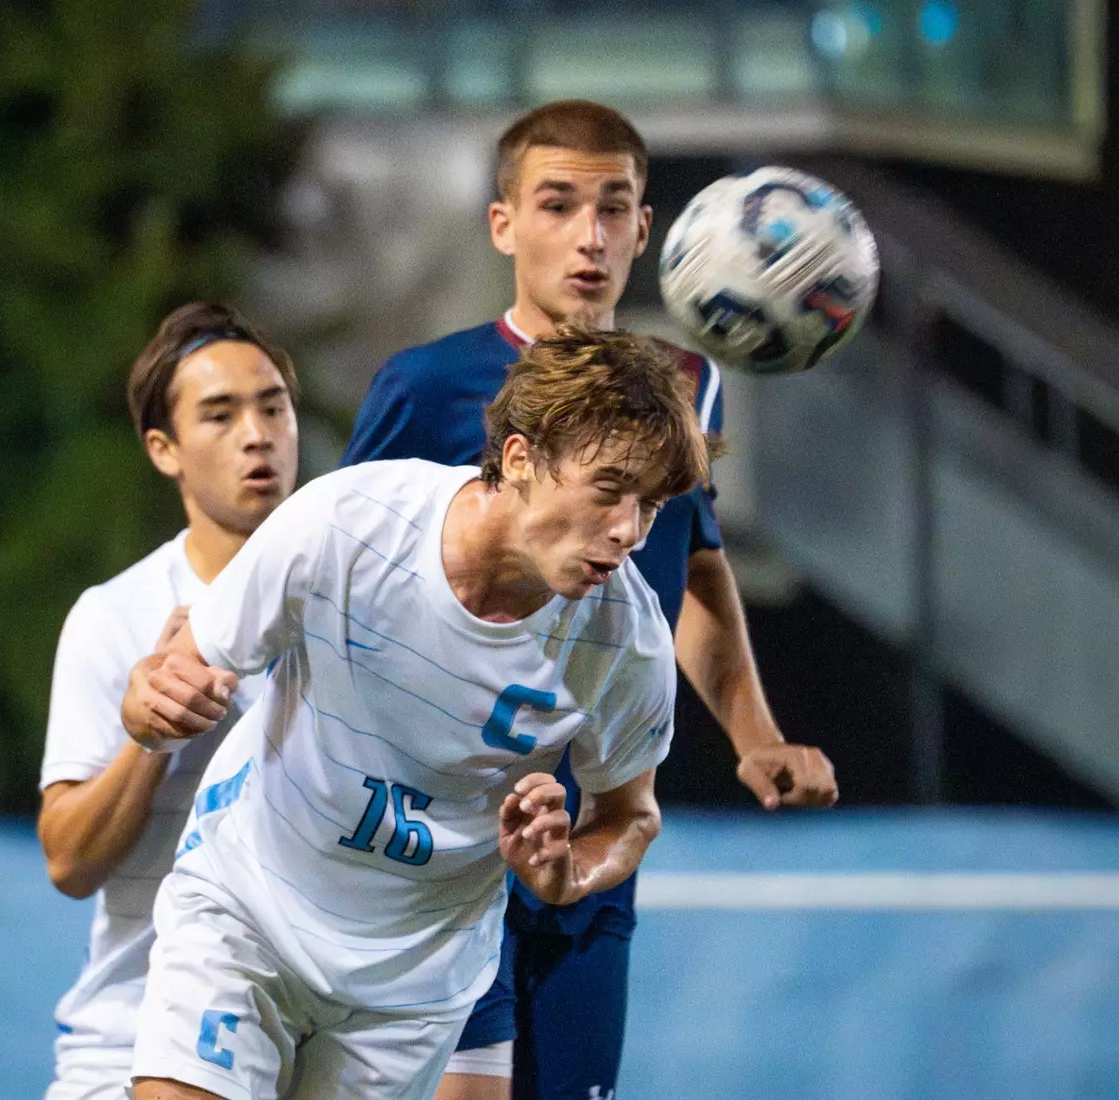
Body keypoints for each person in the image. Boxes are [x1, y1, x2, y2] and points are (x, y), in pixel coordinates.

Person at [340, 98, 839, 1100]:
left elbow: (695, 567)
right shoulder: (428, 386)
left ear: (648, 230)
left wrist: (756, 735)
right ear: (503, 224)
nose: (590, 236)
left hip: (596, 835)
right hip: (448, 843)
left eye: (614, 209)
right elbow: (342, 581)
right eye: (558, 204)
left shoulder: (684, 387)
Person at [116, 328, 709, 1100]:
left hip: (414, 983)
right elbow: (173, 674)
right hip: (247, 913)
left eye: (650, 505)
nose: (629, 531)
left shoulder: (625, 639)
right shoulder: (346, 524)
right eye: (608, 488)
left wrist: (568, 872)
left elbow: (630, 816)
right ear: (520, 458)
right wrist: (150, 705)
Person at [36, 302, 300, 1100]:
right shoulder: (116, 615)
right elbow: (68, 862)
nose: (257, 435)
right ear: (164, 449)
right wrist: (147, 739)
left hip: (319, 1044)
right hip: (137, 1041)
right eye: (219, 415)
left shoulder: (360, 603)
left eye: (273, 407)